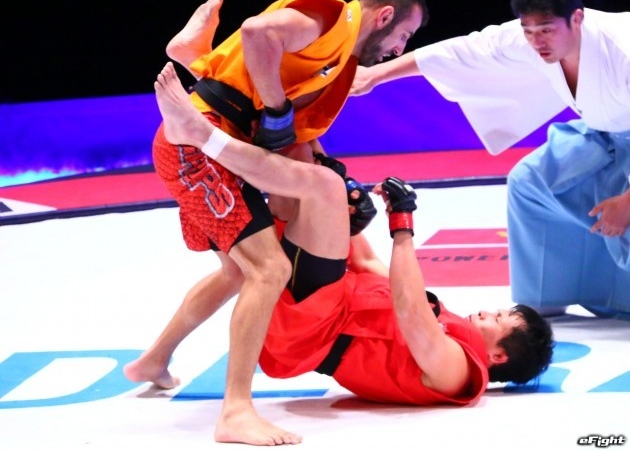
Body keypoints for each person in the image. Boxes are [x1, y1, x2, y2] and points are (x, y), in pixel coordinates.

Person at [150, 61, 553, 419]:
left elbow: (410, 314)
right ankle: (212, 78)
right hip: (322, 298)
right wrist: (350, 215)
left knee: (322, 186)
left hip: (312, 329)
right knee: (303, 149)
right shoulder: (447, 320)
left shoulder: (459, 373)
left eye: (498, 319)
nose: (488, 311)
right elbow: (367, 267)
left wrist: (402, 224)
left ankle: (204, 134)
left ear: (499, 355)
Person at [138, 0, 428, 446]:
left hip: (220, 143)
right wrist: (276, 109)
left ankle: (154, 359)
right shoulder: (330, 18)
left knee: (238, 271)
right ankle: (235, 411)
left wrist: (338, 180)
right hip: (198, 145)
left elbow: (294, 135)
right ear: (386, 16)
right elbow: (257, 33)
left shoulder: (337, 63)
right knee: (268, 270)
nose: (398, 49)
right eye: (404, 36)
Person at [350, 0, 630, 320]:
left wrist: (626, 202)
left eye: (546, 31)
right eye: (528, 31)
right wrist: (375, 76)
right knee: (530, 182)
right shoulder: (532, 37)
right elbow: (463, 52)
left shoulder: (622, 47)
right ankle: (544, 300)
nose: (537, 41)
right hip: (601, 134)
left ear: (577, 18)